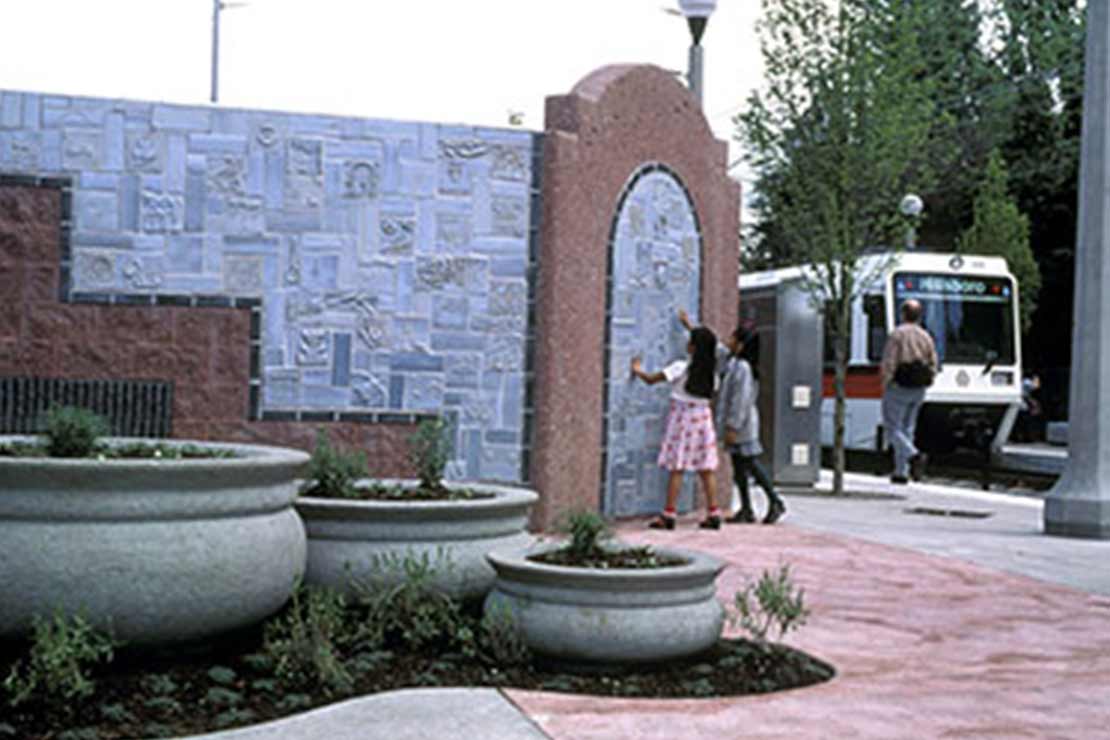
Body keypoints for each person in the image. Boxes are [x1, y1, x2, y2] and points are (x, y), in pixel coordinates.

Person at [630, 324, 723, 530]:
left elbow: (651, 380)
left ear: (692, 347)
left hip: (683, 419)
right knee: (706, 469)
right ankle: (714, 512)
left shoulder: (680, 368)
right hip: (703, 420)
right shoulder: (712, 377)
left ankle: (669, 514)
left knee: (677, 467)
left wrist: (637, 369)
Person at [717, 323, 787, 524]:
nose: (728, 341)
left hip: (742, 427)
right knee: (739, 467)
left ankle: (775, 500)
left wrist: (733, 426)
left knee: (751, 463)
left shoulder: (743, 369)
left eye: (732, 338)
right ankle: (746, 508)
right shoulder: (735, 363)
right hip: (739, 426)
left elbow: (741, 400)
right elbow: (718, 348)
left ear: (741, 345)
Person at [879, 299, 939, 484]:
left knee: (893, 427)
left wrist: (885, 382)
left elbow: (890, 361)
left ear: (903, 314)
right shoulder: (925, 336)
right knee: (908, 428)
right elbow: (933, 362)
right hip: (918, 388)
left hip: (899, 385)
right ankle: (900, 472)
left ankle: (914, 455)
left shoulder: (897, 335)